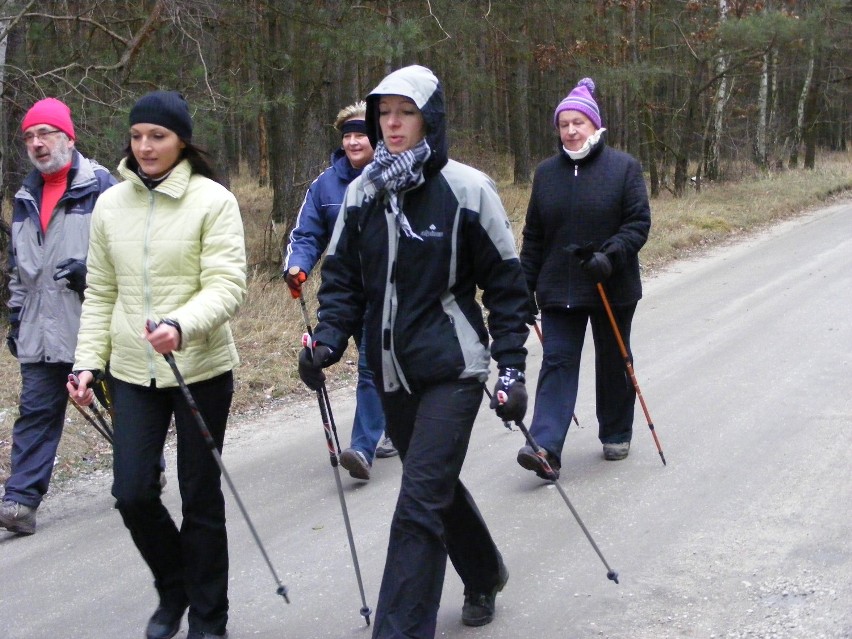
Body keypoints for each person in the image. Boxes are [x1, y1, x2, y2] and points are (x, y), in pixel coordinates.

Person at [297, 65, 530, 637]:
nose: (392, 124)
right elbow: (344, 282)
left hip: (453, 366)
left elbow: (505, 282)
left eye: (405, 112)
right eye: (384, 113)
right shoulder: (362, 192)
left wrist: (512, 365)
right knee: (436, 488)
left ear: (430, 119)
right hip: (390, 373)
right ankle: (483, 572)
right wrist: (327, 340)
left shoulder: (467, 188)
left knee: (417, 502)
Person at [67, 90, 246, 639]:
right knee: (133, 492)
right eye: (138, 135)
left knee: (199, 496)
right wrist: (86, 364)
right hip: (130, 370)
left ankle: (209, 619)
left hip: (201, 368)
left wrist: (181, 325)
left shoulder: (213, 200)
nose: (145, 147)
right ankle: (175, 586)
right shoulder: (110, 204)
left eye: (158, 136)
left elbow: (227, 284)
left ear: (182, 141)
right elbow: (100, 291)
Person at [517, 77, 651, 481]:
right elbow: (535, 234)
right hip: (559, 286)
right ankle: (544, 447)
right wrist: (524, 285)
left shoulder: (623, 168)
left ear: (595, 125)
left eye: (579, 123)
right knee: (557, 361)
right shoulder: (546, 174)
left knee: (614, 359)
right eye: (564, 124)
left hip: (611, 284)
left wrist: (609, 257)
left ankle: (615, 431)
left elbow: (638, 223)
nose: (571, 131)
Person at [1, 98, 115, 535]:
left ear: (69, 137)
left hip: (94, 325)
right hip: (39, 330)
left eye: (45, 133)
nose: (37, 143)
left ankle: (142, 469)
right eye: (29, 136)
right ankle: (20, 502)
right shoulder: (25, 196)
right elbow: (18, 270)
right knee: (35, 413)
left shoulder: (102, 186)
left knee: (120, 404)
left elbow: (133, 254)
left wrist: (93, 275)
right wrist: (16, 319)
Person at [283, 100, 397, 481]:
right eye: (347, 135)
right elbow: (307, 233)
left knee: (370, 366)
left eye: (360, 134)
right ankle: (388, 423)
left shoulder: (394, 177)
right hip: (341, 290)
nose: (352, 142)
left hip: (385, 291)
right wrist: (297, 265)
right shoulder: (325, 184)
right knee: (338, 354)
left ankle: (361, 447)